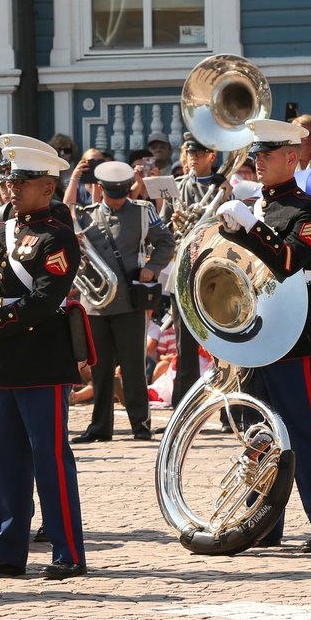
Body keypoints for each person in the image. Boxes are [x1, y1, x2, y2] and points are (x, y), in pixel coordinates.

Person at [215, 118, 311, 552]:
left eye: (267, 154)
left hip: (293, 332)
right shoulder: (252, 205)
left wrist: (250, 227)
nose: (257, 161)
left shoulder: (308, 208)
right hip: (252, 331)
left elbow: (291, 258)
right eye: (255, 154)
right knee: (259, 433)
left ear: (292, 158)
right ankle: (263, 520)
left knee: (303, 428)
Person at [0, 145, 87, 580]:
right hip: (3, 361)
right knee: (5, 460)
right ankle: (7, 550)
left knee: (49, 459)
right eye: (10, 180)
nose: (11, 188)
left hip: (42, 359)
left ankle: (68, 552)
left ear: (48, 187)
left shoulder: (57, 235)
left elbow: (45, 299)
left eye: (22, 182)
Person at [73, 161, 174, 443]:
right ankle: (99, 427)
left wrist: (153, 266)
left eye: (122, 193)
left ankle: (141, 425)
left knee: (132, 366)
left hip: (130, 301)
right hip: (95, 303)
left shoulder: (144, 212)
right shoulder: (87, 216)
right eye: (111, 194)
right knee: (100, 368)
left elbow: (166, 241)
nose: (117, 200)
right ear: (101, 190)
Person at [160, 132, 225, 408]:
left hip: (213, 267)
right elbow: (163, 230)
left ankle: (225, 405)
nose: (192, 159)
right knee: (184, 343)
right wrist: (174, 223)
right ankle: (183, 404)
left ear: (212, 156)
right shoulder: (176, 186)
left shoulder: (224, 187)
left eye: (198, 154)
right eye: (189, 153)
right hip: (184, 268)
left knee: (223, 341)